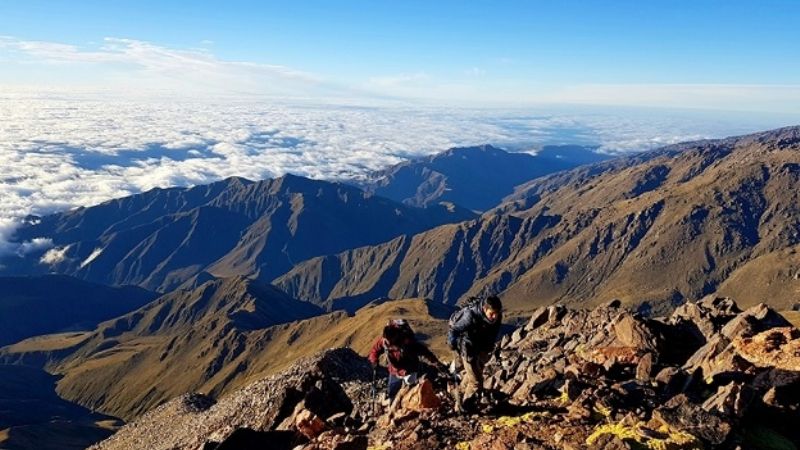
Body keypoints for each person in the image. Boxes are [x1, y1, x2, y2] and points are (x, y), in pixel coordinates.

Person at [368, 319, 447, 401]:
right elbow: (375, 350)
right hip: (394, 371)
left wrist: (435, 362)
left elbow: (424, 351)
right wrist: (374, 360)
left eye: (390, 343)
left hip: (409, 370)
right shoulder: (384, 341)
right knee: (392, 393)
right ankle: (394, 406)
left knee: (409, 393)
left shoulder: (407, 343)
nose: (388, 344)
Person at [447, 295, 503, 410]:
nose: (494, 317)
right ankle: (465, 407)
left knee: (473, 374)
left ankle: (458, 393)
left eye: (496, 313)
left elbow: (493, 333)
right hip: (468, 349)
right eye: (491, 313)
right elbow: (454, 329)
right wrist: (452, 343)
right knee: (476, 381)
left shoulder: (497, 316)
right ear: (484, 309)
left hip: (482, 347)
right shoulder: (470, 315)